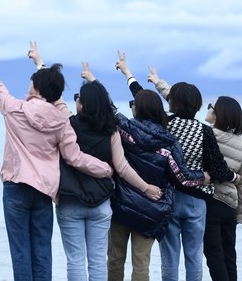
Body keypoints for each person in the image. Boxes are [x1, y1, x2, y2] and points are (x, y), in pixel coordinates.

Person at [0, 36, 113, 281]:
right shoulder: (61, 121)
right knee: (42, 252)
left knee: (20, 252)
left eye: (32, 83)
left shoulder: (13, 108)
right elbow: (75, 158)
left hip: (16, 188)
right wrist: (105, 169)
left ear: (36, 89)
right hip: (43, 192)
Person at [27, 44, 163, 281]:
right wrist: (146, 188)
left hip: (70, 201)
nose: (75, 100)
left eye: (78, 98)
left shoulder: (68, 124)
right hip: (100, 203)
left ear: (82, 104)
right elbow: (121, 167)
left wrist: (40, 64)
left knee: (75, 260)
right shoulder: (111, 130)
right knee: (98, 260)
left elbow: (55, 96)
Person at [125, 60, 237, 281]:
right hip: (198, 202)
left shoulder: (164, 123)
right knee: (194, 257)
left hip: (170, 198)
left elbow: (144, 101)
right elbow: (218, 168)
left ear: (171, 103)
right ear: (197, 105)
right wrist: (233, 176)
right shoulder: (205, 132)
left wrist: (129, 75)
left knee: (170, 257)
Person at [107, 52, 211, 281]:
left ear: (138, 109)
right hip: (153, 207)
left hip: (122, 202)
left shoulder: (126, 128)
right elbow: (181, 177)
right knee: (144, 264)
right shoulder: (170, 139)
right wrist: (204, 177)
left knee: (115, 259)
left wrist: (121, 74)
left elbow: (109, 107)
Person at [203, 96, 242, 281]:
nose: (207, 109)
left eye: (209, 106)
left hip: (212, 202)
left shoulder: (207, 134)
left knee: (214, 255)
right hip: (230, 206)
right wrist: (239, 213)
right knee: (230, 257)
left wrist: (160, 84)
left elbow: (182, 108)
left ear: (217, 114)